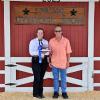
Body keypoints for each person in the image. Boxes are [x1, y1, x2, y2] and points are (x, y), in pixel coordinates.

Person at [49, 25, 72, 99]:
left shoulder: (66, 41)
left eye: (59, 31)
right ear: (54, 32)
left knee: (63, 78)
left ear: (61, 32)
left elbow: (68, 53)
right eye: (56, 31)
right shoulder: (51, 41)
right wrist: (49, 61)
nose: (58, 32)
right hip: (54, 63)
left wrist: (68, 62)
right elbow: (49, 53)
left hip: (63, 63)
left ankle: (64, 92)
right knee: (55, 78)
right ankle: (56, 92)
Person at [29, 28, 49, 99]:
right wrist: (39, 53)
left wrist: (44, 53)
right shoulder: (33, 42)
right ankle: (35, 94)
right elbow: (31, 52)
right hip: (36, 60)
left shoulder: (45, 42)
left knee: (41, 78)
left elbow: (47, 52)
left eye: (42, 33)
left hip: (44, 61)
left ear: (43, 34)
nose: (40, 34)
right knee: (37, 77)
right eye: (39, 33)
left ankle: (40, 94)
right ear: (36, 33)